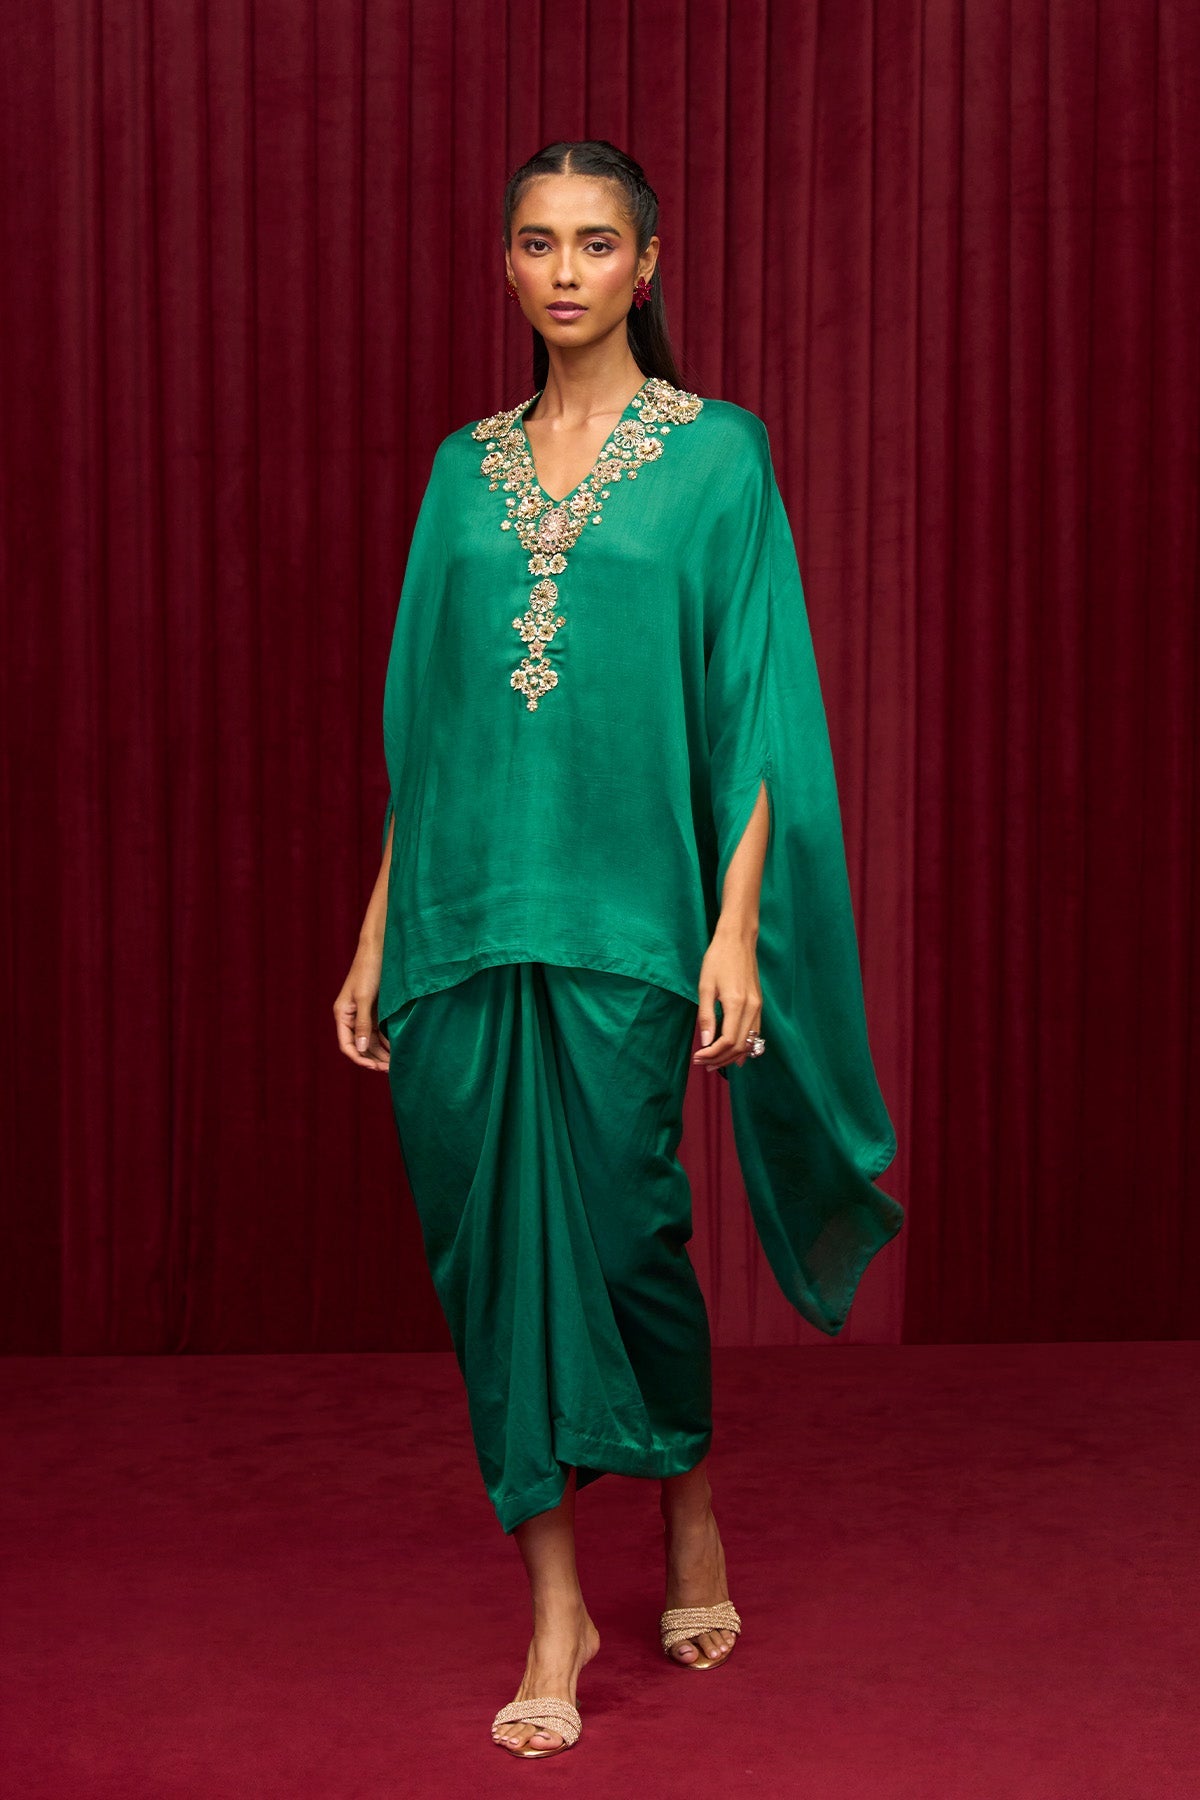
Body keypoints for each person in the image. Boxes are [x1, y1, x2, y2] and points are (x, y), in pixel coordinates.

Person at [333, 139, 905, 1760]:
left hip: (629, 919)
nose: (565, 271)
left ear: (646, 267)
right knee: (486, 1262)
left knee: (627, 1226)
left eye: (596, 243)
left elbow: (755, 705)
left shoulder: (719, 458)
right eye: (537, 242)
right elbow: (431, 733)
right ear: (507, 265)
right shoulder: (463, 470)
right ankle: (556, 1603)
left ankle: (688, 1496)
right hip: (457, 921)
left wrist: (734, 931)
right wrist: (374, 934)